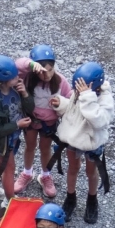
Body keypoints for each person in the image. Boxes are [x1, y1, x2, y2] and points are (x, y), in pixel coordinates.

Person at [51, 61, 115, 224]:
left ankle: (92, 199)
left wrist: (87, 97)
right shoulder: (80, 91)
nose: (77, 93)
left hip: (91, 142)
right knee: (73, 168)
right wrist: (62, 103)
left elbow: (99, 121)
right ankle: (70, 197)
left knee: (91, 172)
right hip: (74, 137)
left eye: (80, 91)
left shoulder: (104, 99)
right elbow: (73, 110)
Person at [12, 45, 73, 198]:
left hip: (49, 124)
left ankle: (45, 175)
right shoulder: (27, 78)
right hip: (31, 121)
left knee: (45, 149)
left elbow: (70, 97)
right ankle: (27, 173)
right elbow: (17, 65)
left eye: (51, 69)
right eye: (43, 72)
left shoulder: (60, 81)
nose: (47, 75)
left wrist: (61, 103)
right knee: (30, 146)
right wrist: (31, 65)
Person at [0, 54, 33, 204]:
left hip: (11, 137)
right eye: (15, 77)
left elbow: (30, 108)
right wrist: (17, 125)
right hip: (1, 140)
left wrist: (25, 94)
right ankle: (10, 201)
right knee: (9, 168)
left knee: (1, 160)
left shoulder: (15, 88)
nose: (19, 78)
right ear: (2, 82)